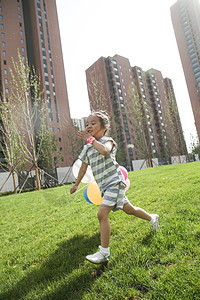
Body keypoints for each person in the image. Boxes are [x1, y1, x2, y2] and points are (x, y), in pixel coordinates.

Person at [70, 111, 159, 264]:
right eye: (87, 124)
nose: (88, 126)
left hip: (115, 181)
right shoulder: (87, 149)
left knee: (102, 214)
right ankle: (152, 218)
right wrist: (76, 184)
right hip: (104, 186)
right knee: (129, 209)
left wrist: (90, 140)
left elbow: (105, 151)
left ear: (104, 127)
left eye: (93, 123)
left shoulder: (107, 141)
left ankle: (104, 253)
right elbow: (83, 168)